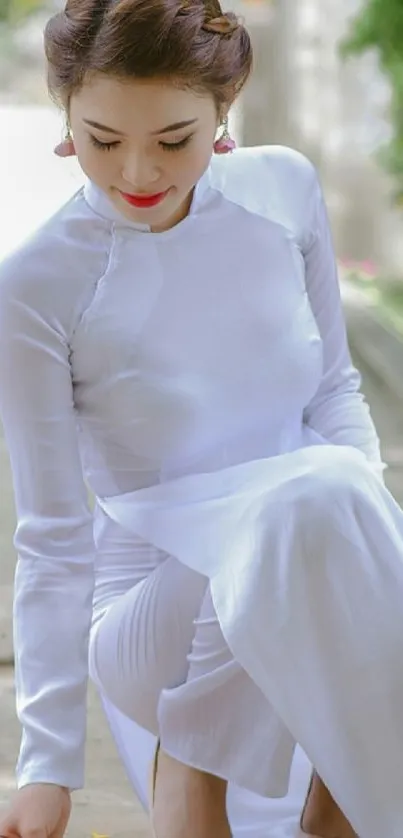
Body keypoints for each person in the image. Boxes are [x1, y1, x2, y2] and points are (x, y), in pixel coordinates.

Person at [1, 0, 403, 836]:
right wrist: (46, 767)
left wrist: (365, 543)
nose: (137, 172)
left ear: (224, 111)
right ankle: (191, 763)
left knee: (328, 491)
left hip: (309, 566)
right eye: (102, 140)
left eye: (173, 139)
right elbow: (52, 535)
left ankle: (336, 807)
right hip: (157, 618)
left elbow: (332, 390)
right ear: (65, 112)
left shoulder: (281, 188)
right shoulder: (37, 283)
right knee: (310, 496)